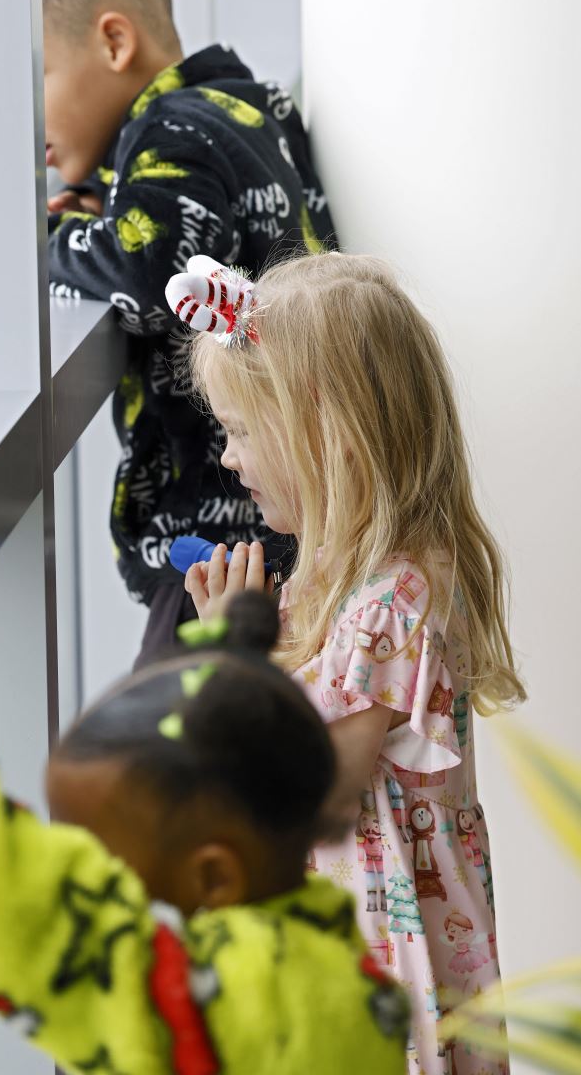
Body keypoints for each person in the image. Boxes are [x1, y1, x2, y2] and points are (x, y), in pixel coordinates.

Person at [174, 251, 527, 1075]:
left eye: (242, 431)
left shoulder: (392, 604)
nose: (228, 457)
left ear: (325, 434)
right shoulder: (343, 577)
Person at [0, 593, 408, 1075]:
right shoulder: (338, 972)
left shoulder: (228, 1003)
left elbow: (36, 923)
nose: (85, 875)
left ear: (213, 875)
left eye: (102, 865)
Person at [41, 0, 336, 663]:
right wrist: (110, 205)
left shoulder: (166, 131)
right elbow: (192, 228)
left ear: (114, 42)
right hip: (290, 527)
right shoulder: (250, 110)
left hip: (223, 558)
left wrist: (45, 245)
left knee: (176, 758)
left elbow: (151, 276)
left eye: (31, 77)